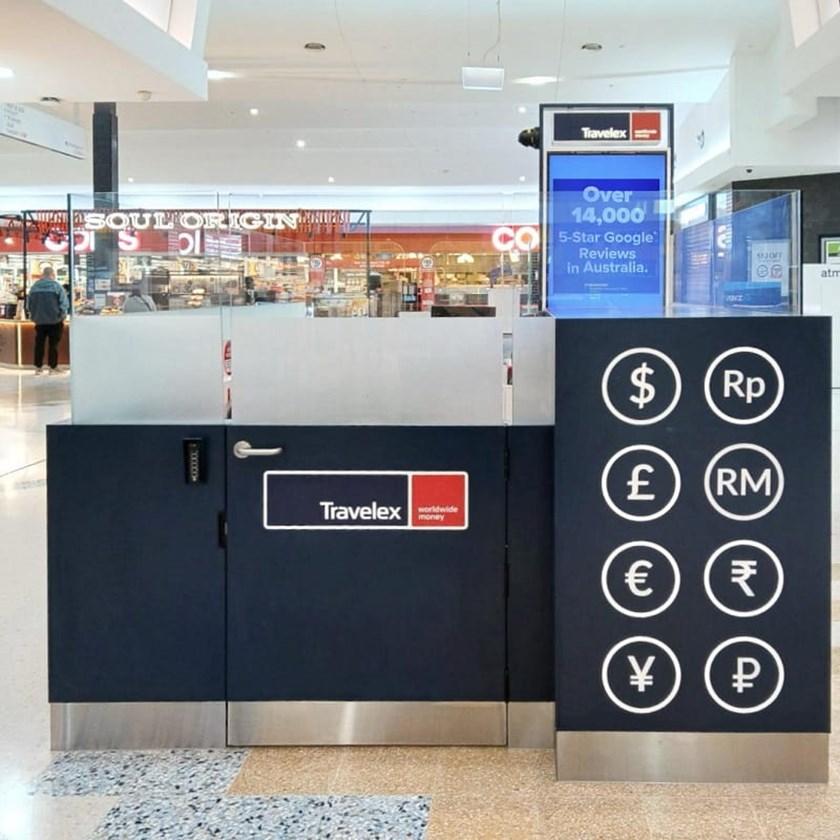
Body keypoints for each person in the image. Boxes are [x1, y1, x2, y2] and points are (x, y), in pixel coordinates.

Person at [26, 266, 69, 375]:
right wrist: (62, 315)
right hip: (55, 320)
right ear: (52, 275)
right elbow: (64, 304)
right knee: (53, 345)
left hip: (39, 321)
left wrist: (33, 315)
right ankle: (52, 367)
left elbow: (28, 305)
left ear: (42, 274)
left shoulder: (34, 287)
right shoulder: (57, 287)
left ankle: (38, 368)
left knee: (39, 344)